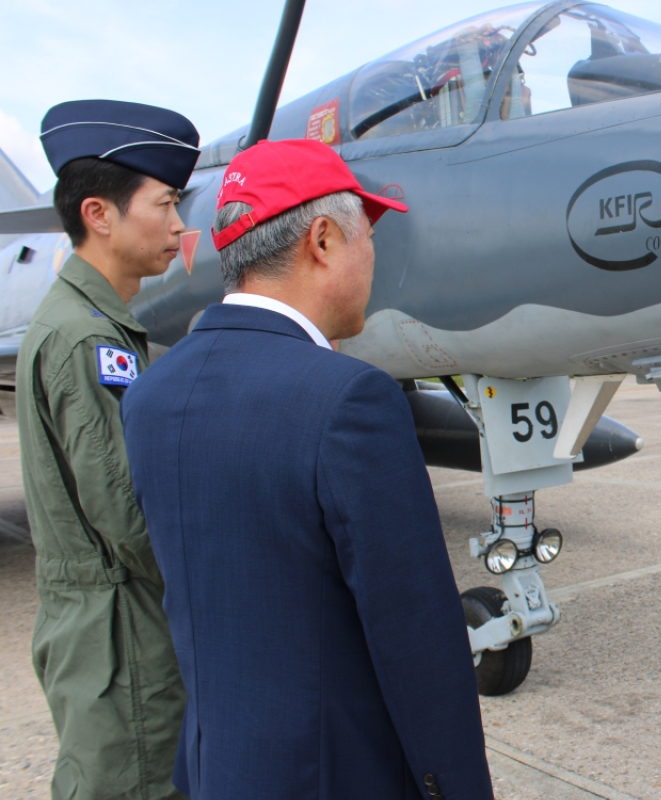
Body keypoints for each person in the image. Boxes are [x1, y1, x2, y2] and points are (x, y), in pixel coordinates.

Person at [120, 139, 493, 800]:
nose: (373, 257)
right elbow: (417, 639)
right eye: (367, 237)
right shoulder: (349, 398)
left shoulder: (152, 392)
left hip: (218, 770)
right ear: (321, 240)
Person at [17, 99, 200, 800]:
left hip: (113, 631)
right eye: (165, 203)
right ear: (100, 214)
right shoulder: (86, 340)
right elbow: (128, 518)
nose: (179, 225)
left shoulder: (93, 324)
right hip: (122, 645)